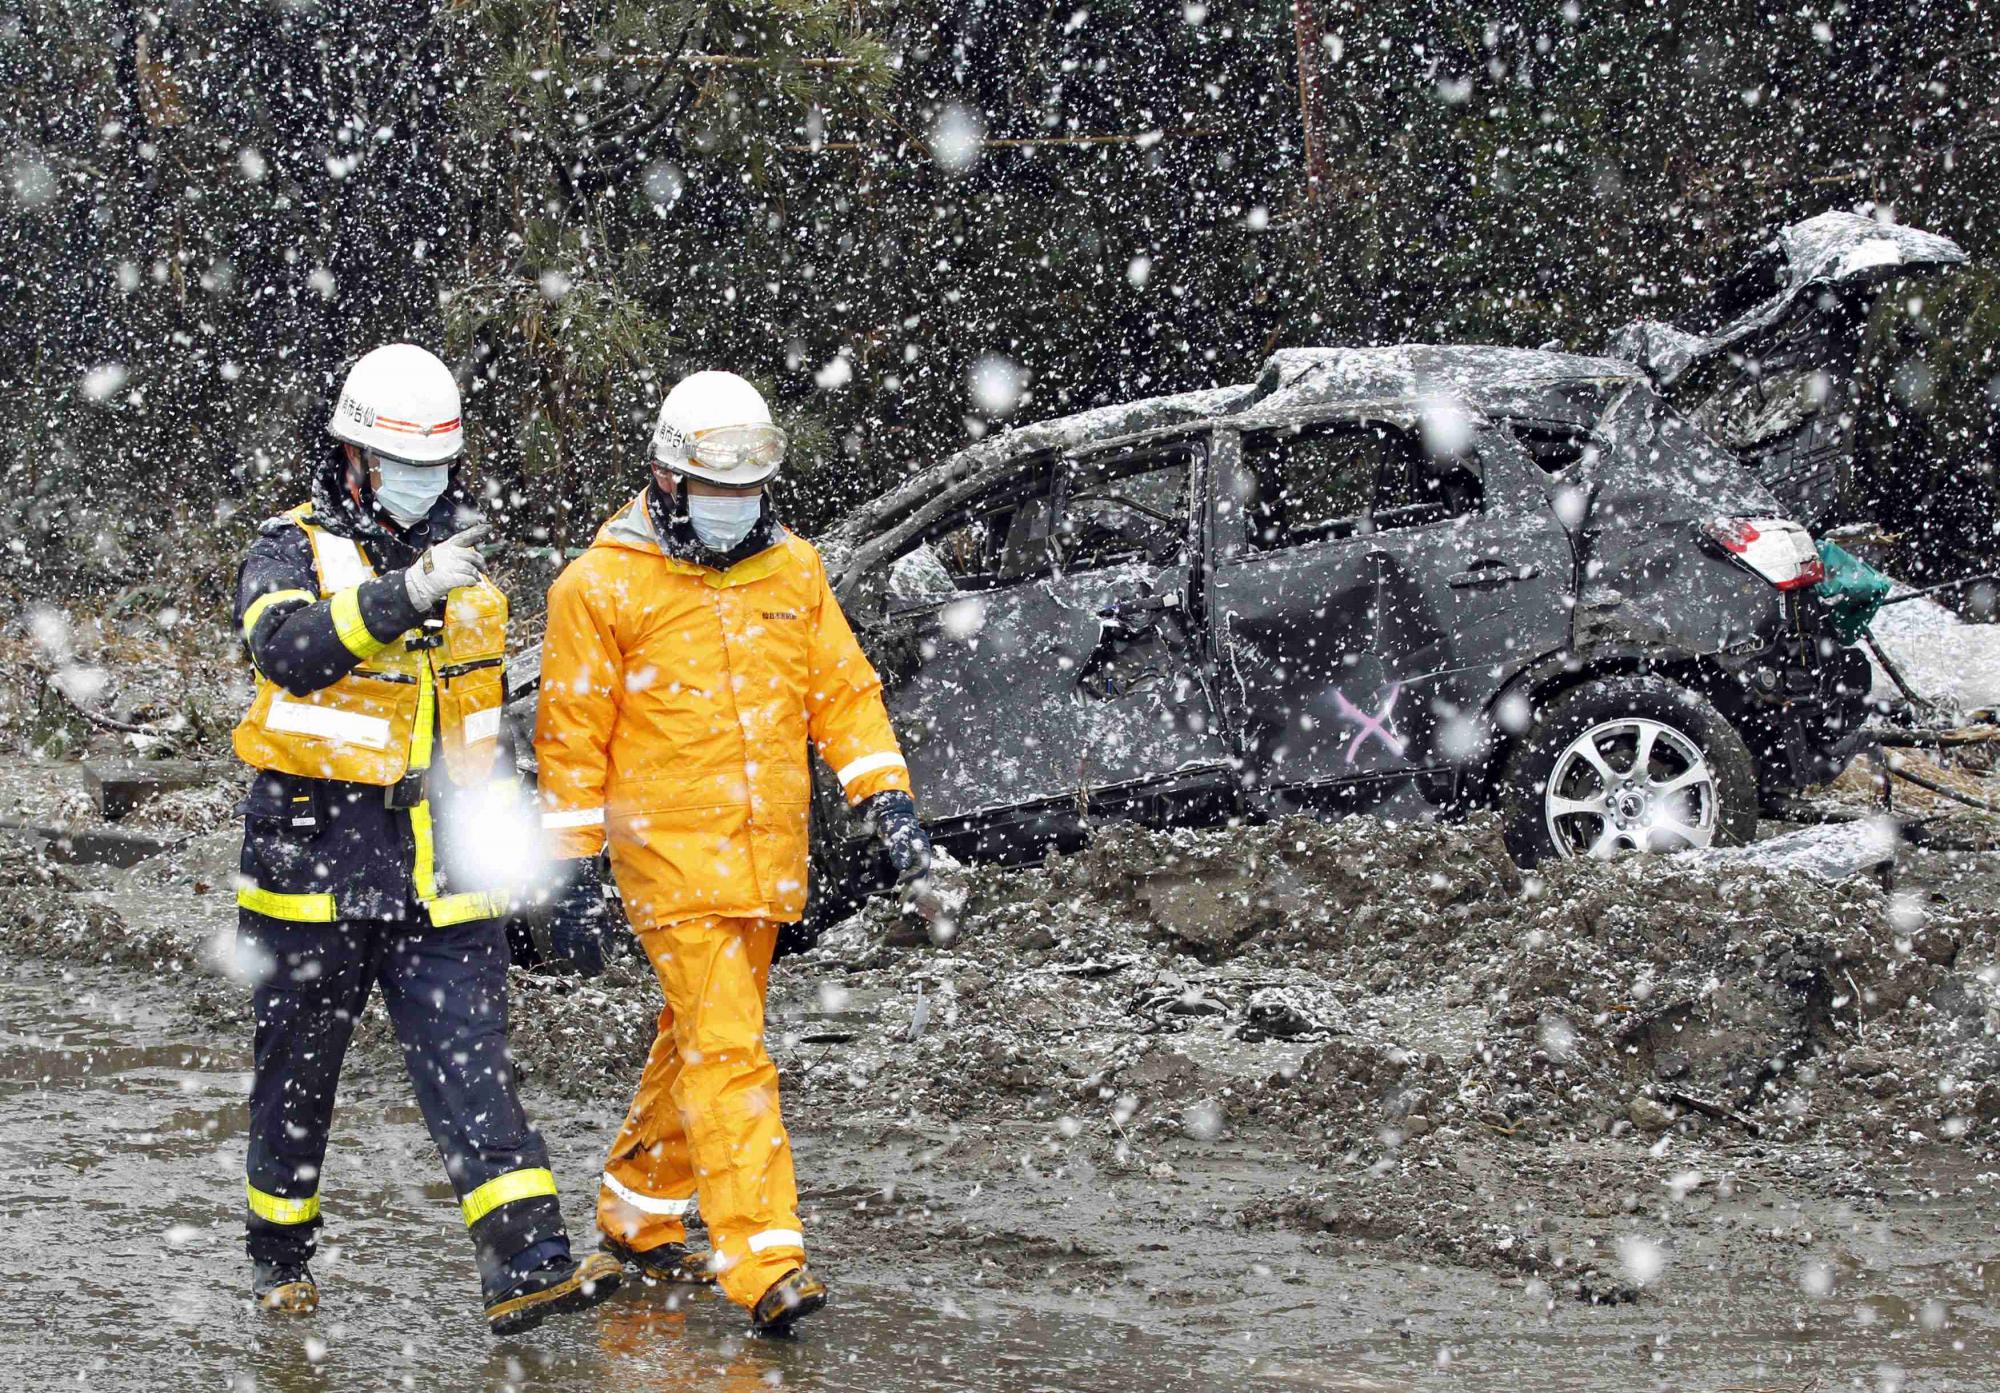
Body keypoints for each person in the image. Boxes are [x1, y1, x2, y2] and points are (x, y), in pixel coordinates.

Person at [230, 342, 621, 1334]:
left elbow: (479, 748)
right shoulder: (291, 550)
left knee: (473, 1068)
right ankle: (280, 1257)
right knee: (297, 1078)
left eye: (435, 467)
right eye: (401, 465)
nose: (421, 485)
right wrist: (400, 598)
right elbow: (287, 651)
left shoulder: (476, 587)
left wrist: (547, 873)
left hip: (442, 877)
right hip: (313, 865)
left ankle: (529, 1266)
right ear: (354, 460)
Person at [535, 370, 933, 1334]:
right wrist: (570, 863)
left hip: (766, 857)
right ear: (667, 481)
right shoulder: (600, 586)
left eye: (748, 494)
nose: (733, 512)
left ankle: (635, 1215)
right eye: (716, 494)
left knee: (699, 1037)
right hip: (667, 859)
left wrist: (885, 794)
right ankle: (763, 1257)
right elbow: (572, 732)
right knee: (731, 1050)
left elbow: (840, 691)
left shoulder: (792, 570)